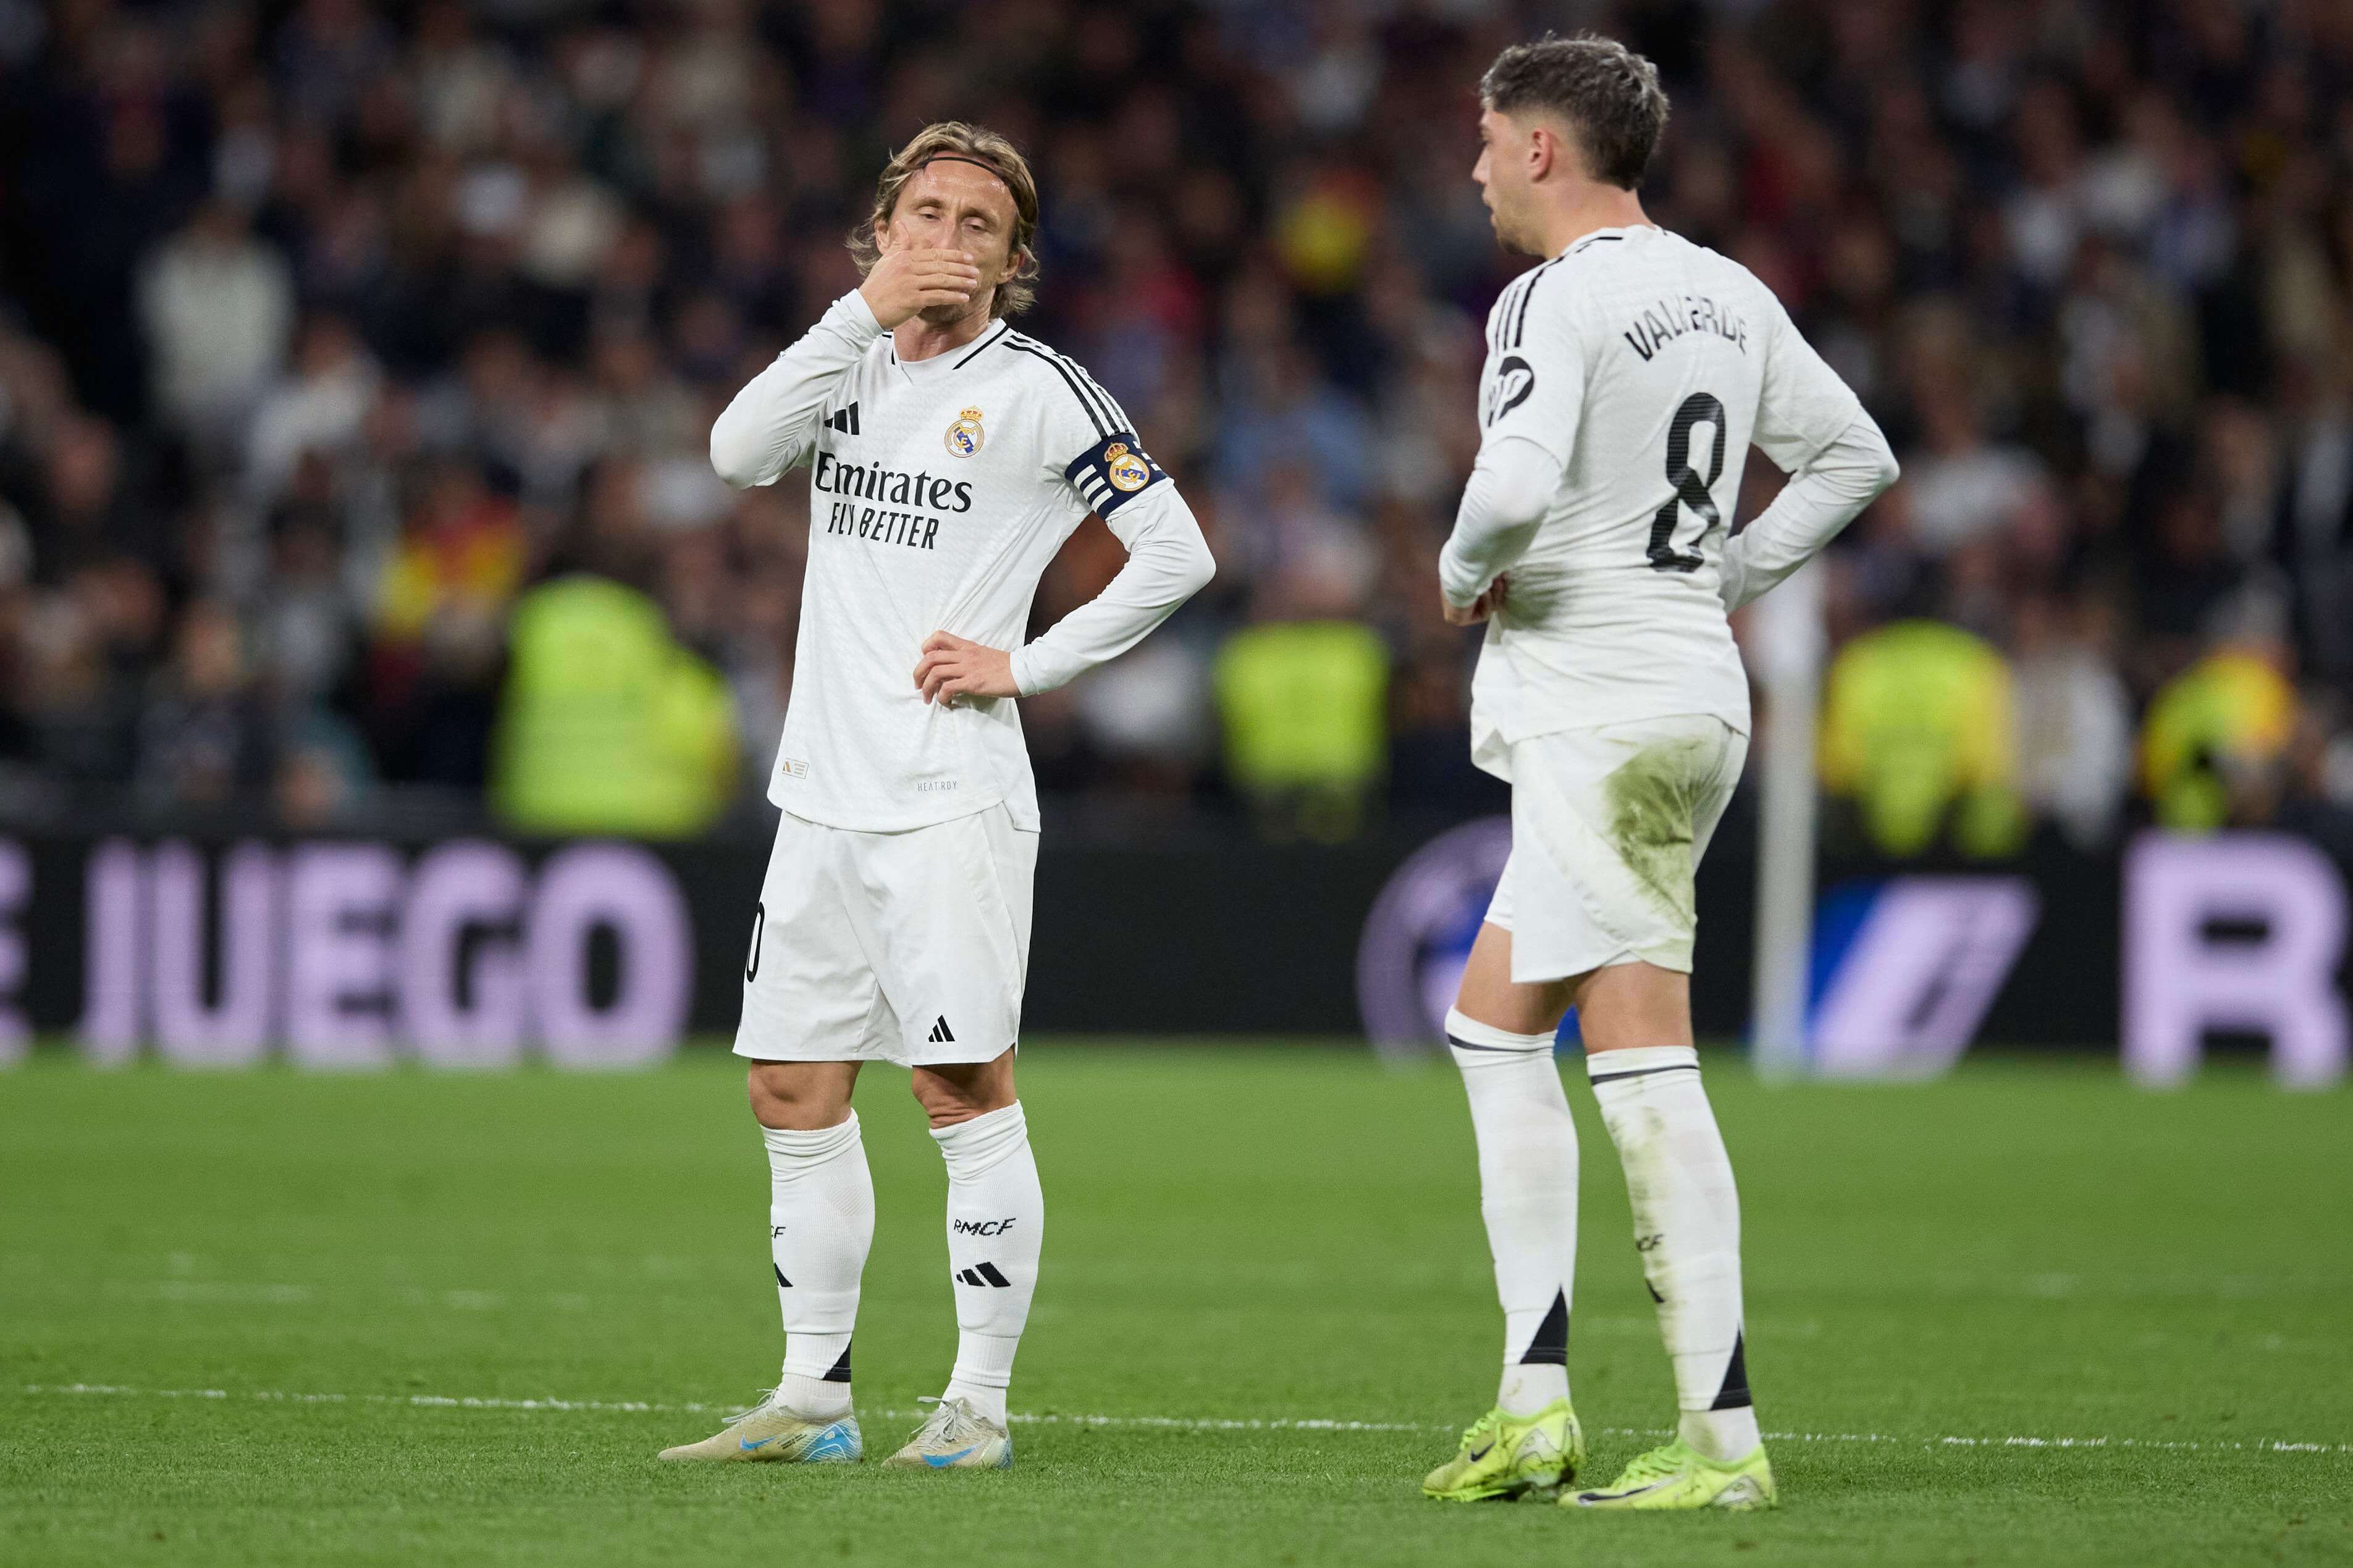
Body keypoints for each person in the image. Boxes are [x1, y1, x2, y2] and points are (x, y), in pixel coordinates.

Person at [657, 122, 1215, 1471]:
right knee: (791, 1088)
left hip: (949, 799)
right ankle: (812, 1398)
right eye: (925, 214)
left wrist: (1023, 665)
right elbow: (735, 451)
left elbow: (1175, 552)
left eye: (979, 224)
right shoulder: (840, 363)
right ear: (881, 231)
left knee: (961, 1088)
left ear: (1016, 261)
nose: (947, 240)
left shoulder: (1041, 389)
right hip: (821, 797)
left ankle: (977, 1406)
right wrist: (858, 314)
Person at [1421, 36, 1898, 1512]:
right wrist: (1727, 572)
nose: (1479, 166)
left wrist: (1459, 575)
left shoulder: (1548, 297)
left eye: (1491, 141)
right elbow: (1855, 455)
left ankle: (1722, 1442)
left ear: (1547, 149)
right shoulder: (1726, 290)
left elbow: (1507, 486)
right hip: (1683, 685)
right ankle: (1536, 1401)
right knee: (1494, 1031)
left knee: (1644, 1065)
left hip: (1603, 708)